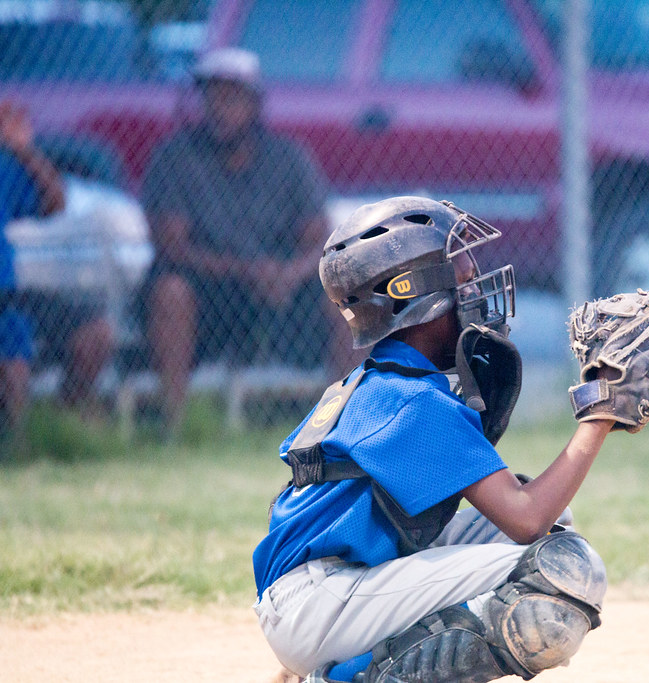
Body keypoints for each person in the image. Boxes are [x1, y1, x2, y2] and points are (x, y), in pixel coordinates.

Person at [252, 197, 615, 683]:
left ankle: (327, 658)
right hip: (319, 604)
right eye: (464, 282)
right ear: (418, 299)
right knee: (562, 574)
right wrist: (600, 414)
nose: (477, 292)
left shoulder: (389, 380)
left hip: (322, 591)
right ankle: (345, 676)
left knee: (556, 523)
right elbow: (525, 518)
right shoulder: (411, 399)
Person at [139, 48, 360, 435]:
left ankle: (343, 425)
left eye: (231, 98)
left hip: (281, 292)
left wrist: (288, 274)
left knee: (348, 293)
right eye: (211, 97)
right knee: (170, 291)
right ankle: (176, 428)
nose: (219, 108)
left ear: (255, 104)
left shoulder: (289, 158)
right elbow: (171, 246)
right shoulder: (175, 158)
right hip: (206, 289)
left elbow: (320, 239)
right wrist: (249, 271)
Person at [0, 99, 114, 435]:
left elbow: (56, 202)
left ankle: (55, 427)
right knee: (12, 353)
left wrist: (23, 149)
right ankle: (16, 442)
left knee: (95, 333)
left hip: (9, 295)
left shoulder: (5, 168)